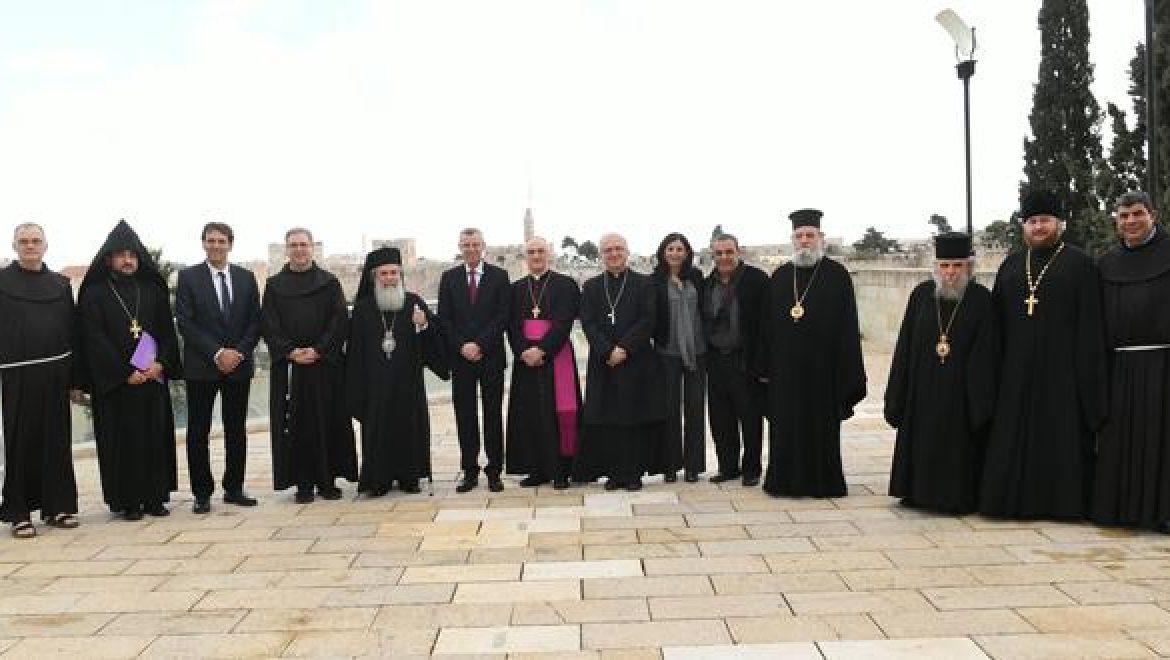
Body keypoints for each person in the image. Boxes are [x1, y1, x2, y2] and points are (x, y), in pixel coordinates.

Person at [980, 191, 1106, 520]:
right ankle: (1012, 503)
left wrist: (1088, 381)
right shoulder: (1010, 266)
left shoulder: (1080, 264)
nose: (1038, 227)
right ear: (1024, 226)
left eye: (1045, 221)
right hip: (1015, 374)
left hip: (1063, 374)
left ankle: (1061, 505)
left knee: (1061, 440)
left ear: (1059, 224)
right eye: (1032, 222)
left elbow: (1091, 327)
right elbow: (996, 328)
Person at [885, 232, 998, 514]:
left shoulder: (981, 299)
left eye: (957, 266)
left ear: (968, 267)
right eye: (945, 266)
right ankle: (916, 493)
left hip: (961, 395)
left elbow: (988, 353)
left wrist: (978, 402)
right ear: (935, 267)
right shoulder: (921, 295)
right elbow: (905, 346)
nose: (950, 273)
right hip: (921, 391)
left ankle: (954, 497)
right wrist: (897, 394)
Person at [758, 209, 866, 498]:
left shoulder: (837, 275)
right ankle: (784, 482)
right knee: (786, 429)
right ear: (792, 240)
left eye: (810, 235)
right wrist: (765, 370)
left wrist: (846, 371)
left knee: (821, 430)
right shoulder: (780, 277)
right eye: (799, 236)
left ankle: (823, 483)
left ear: (820, 238)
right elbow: (766, 329)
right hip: (786, 373)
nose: (805, 241)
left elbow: (848, 327)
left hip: (823, 372)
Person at [78, 220, 181, 520]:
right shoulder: (94, 294)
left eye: (133, 255)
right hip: (118, 387)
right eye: (122, 255)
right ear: (109, 259)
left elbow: (167, 332)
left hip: (151, 381)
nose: (128, 260)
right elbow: (92, 339)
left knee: (153, 439)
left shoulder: (153, 291)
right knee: (122, 443)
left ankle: (154, 498)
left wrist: (161, 363)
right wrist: (124, 373)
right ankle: (128, 502)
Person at [261, 228, 357, 504]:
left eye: (304, 244)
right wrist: (290, 351)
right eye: (294, 245)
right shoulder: (274, 285)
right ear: (286, 249)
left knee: (327, 421)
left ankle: (327, 481)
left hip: (324, 366)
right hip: (290, 368)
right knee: (295, 425)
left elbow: (339, 321)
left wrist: (318, 350)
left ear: (312, 247)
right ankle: (302, 483)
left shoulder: (329, 282)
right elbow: (268, 323)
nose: (299, 250)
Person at [1093, 191, 1170, 532]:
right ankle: (1120, 509)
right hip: (1119, 367)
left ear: (1153, 214)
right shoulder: (1106, 262)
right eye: (1123, 216)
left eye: (1138, 214)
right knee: (1121, 440)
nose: (1131, 221)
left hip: (1164, 364)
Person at [0, 223, 81, 537]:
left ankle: (58, 507)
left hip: (56, 375)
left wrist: (76, 380)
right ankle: (19, 513)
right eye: (24, 241)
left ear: (46, 245)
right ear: (14, 246)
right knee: (19, 444)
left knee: (57, 443)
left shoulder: (60, 285)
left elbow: (73, 333)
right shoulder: (2, 283)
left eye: (36, 241)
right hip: (16, 375)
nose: (30, 246)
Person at [175, 222, 262, 514]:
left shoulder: (247, 278)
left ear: (230, 244)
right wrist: (217, 352)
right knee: (198, 431)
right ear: (203, 244)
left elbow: (254, 321)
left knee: (236, 429)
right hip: (202, 367)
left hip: (238, 365)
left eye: (221, 240)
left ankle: (234, 488)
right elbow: (185, 322)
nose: (215, 245)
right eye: (210, 240)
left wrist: (237, 353)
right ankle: (202, 493)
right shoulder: (188, 277)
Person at [346, 247, 447, 496]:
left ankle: (409, 477)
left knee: (409, 429)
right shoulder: (363, 309)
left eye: (394, 273)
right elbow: (355, 351)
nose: (390, 277)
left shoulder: (413, 303)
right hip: (375, 385)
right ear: (374, 277)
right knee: (376, 431)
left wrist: (423, 325)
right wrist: (357, 385)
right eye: (385, 273)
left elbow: (434, 340)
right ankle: (378, 481)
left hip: (408, 382)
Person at [577, 233, 666, 490]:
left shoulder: (644, 283)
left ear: (627, 252)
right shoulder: (592, 286)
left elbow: (648, 320)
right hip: (604, 362)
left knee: (634, 417)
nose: (613, 254)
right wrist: (608, 351)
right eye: (608, 250)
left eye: (618, 249)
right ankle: (614, 473)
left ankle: (634, 472)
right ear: (601, 255)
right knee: (608, 418)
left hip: (636, 360)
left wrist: (624, 349)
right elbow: (588, 323)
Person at [504, 237, 582, 489]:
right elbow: (512, 326)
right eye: (531, 252)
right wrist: (524, 350)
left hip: (555, 355)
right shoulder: (515, 289)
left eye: (540, 251)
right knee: (529, 414)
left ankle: (560, 470)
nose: (536, 256)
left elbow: (563, 322)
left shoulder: (566, 285)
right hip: (525, 358)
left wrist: (543, 350)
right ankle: (535, 469)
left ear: (549, 254)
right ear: (525, 257)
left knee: (558, 412)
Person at [438, 228, 510, 493]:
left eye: (475, 244)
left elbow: (503, 315)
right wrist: (462, 346)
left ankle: (494, 471)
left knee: (493, 415)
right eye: (466, 244)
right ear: (460, 247)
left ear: (483, 246)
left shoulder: (500, 276)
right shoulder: (449, 278)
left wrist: (479, 344)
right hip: (461, 359)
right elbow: (444, 318)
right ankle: (469, 470)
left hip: (490, 356)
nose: (470, 248)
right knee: (465, 415)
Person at [703, 233, 769, 487]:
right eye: (718, 253)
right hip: (716, 359)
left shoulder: (756, 279)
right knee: (721, 418)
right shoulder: (708, 284)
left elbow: (766, 323)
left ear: (738, 252)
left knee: (750, 416)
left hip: (746, 359)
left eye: (728, 252)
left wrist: (764, 363)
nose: (724, 258)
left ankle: (751, 468)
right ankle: (728, 467)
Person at [652, 232, 707, 483]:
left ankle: (693, 466)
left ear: (687, 253)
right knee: (669, 410)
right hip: (667, 352)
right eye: (670, 249)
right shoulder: (654, 281)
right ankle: (670, 465)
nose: (675, 253)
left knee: (695, 409)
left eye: (680, 249)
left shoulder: (696, 277)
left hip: (697, 351)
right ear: (663, 252)